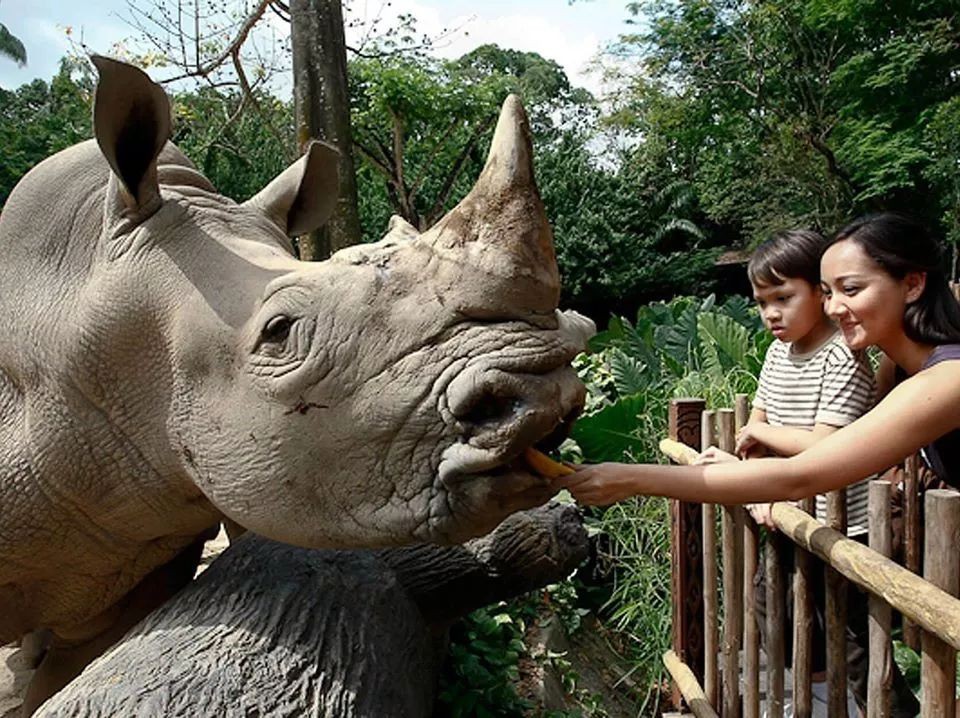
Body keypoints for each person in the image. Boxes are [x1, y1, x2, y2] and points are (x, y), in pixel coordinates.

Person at [558, 213, 960, 715]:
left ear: (914, 283)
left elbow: (804, 472)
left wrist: (634, 478)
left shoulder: (947, 377)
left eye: (851, 289)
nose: (835, 307)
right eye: (829, 290)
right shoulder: (901, 368)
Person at [697, 228, 876, 713]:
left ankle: (884, 708)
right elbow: (755, 421)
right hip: (784, 509)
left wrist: (766, 438)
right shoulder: (778, 353)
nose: (771, 313)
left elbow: (826, 444)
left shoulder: (843, 356)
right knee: (772, 610)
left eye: (784, 297)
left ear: (820, 293)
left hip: (842, 523)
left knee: (853, 639)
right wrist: (760, 452)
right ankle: (820, 694)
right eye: (761, 302)